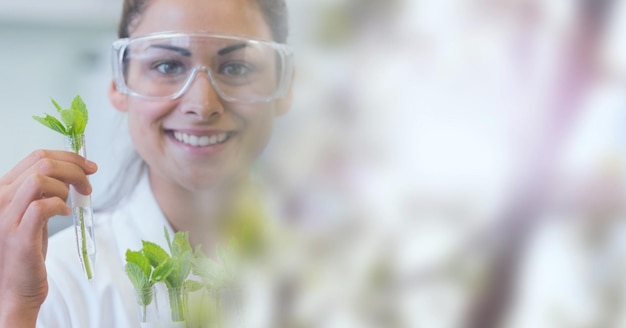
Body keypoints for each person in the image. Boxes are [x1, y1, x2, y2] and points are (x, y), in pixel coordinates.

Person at [0, 0, 294, 326]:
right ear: (118, 83)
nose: (202, 104)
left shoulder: (336, 267)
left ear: (286, 86)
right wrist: (17, 308)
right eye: (167, 66)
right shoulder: (52, 283)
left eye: (236, 68)